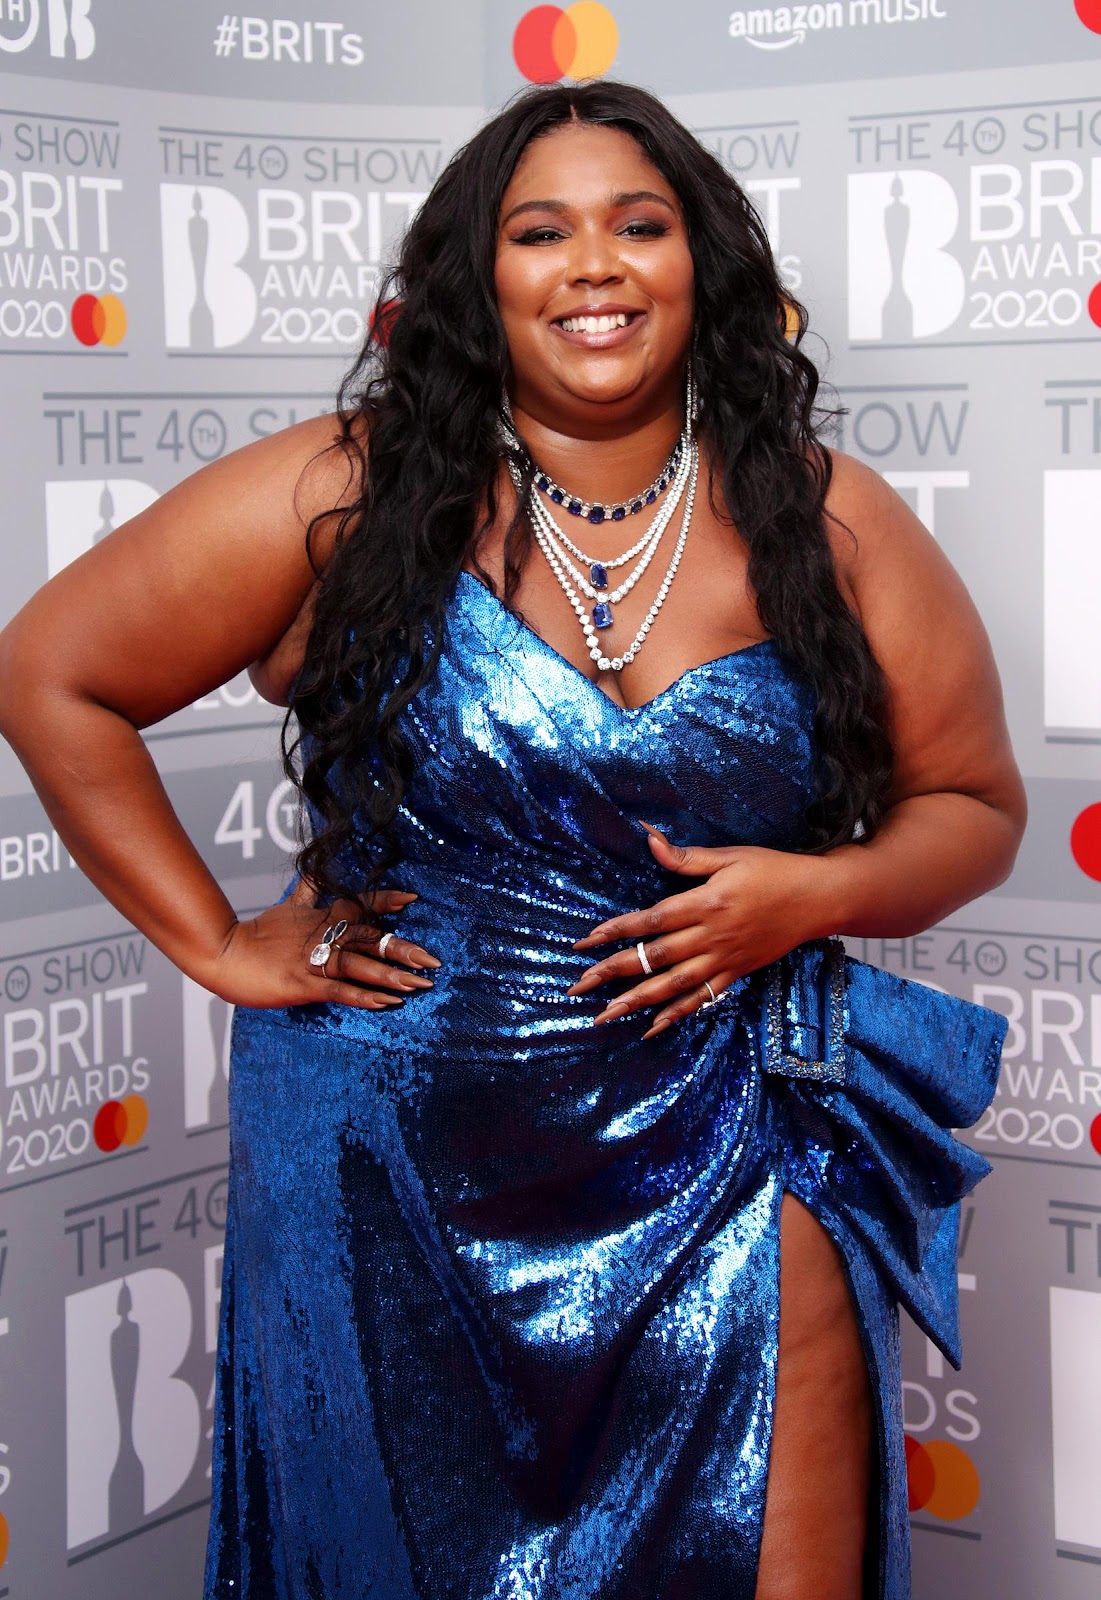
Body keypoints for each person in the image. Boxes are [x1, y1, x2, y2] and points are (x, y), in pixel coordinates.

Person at [0, 82, 1025, 1600]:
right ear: (477, 282)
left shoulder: (827, 518)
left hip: (733, 1130)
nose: (594, 265)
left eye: (640, 225)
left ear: (705, 266)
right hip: (389, 1170)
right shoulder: (350, 493)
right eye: (540, 232)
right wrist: (215, 944)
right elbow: (53, 673)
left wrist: (819, 893)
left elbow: (977, 807)